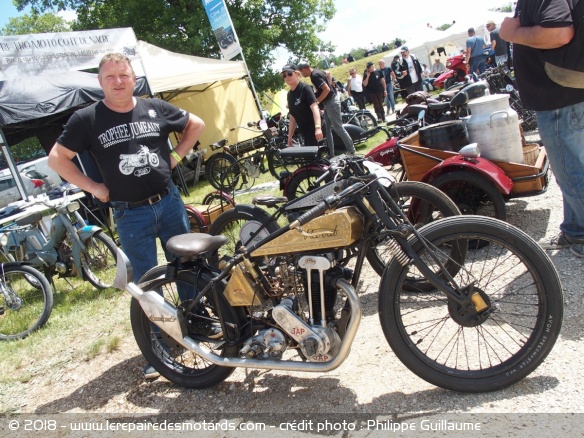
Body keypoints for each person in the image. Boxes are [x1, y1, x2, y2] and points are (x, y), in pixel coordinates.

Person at [48, 52, 205, 379]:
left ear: (133, 77)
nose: (118, 81)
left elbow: (195, 124)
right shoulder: (87, 119)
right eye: (110, 77)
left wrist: (175, 155)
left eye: (124, 75)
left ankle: (199, 326)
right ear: (100, 81)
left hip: (169, 200)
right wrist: (92, 186)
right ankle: (160, 348)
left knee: (189, 266)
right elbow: (57, 158)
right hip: (129, 213)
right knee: (147, 283)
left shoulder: (155, 107)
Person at [500, 1, 584, 257]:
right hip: (564, 96)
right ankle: (576, 230)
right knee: (572, 168)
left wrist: (510, 33)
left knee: (570, 173)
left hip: (558, 99)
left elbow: (558, 33)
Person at [297, 60, 355, 156]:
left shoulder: (314, 75)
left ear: (304, 69)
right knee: (327, 130)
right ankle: (331, 154)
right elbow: (328, 73)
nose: (302, 74)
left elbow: (326, 89)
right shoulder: (317, 72)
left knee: (338, 128)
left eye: (301, 72)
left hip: (331, 103)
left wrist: (318, 101)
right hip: (328, 103)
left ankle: (351, 150)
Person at [281, 64, 323, 147]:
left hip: (315, 129)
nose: (287, 77)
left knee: (317, 157)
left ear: (297, 74)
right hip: (305, 131)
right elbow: (293, 117)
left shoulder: (305, 88)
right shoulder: (289, 95)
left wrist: (318, 128)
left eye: (289, 73)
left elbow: (315, 108)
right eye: (284, 75)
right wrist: (290, 136)